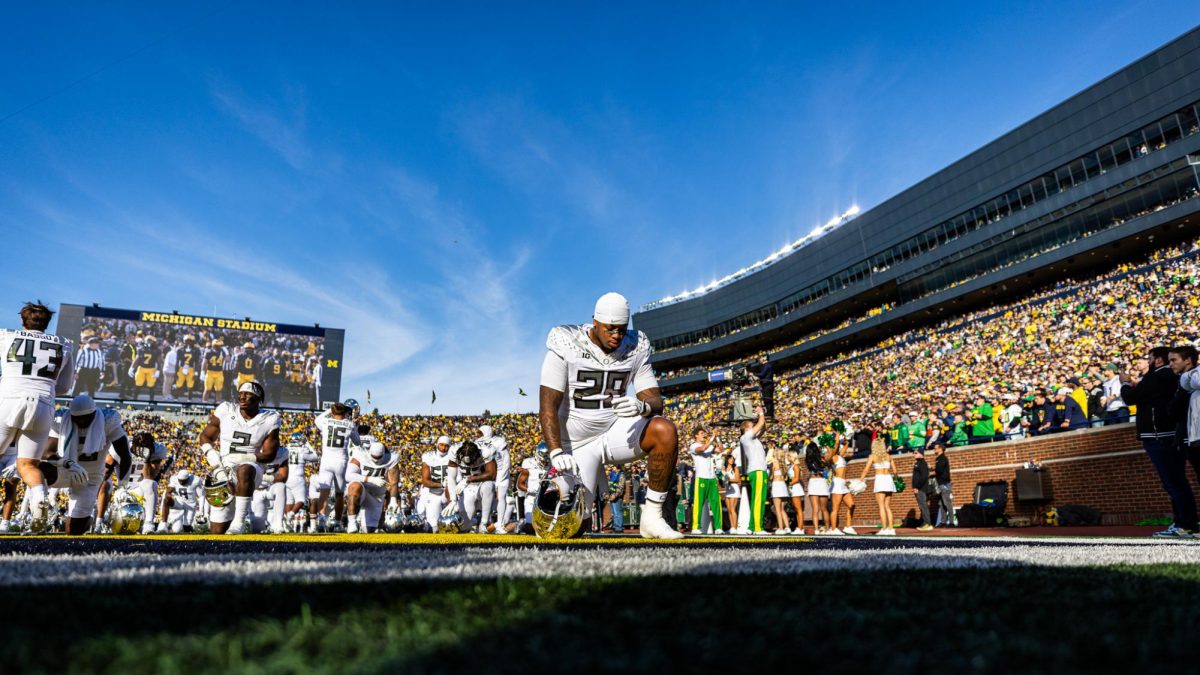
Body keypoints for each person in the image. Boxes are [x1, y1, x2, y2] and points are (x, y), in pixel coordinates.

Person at [537, 292, 682, 539]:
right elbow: (548, 406)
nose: (616, 335)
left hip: (613, 431)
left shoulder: (635, 346)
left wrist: (642, 407)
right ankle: (529, 525)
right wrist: (555, 451)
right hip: (575, 442)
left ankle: (652, 518)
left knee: (663, 430)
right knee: (570, 530)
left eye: (622, 330)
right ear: (595, 322)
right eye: (610, 329)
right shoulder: (567, 342)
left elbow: (655, 400)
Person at [2, 302, 77, 529]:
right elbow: (64, 386)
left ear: (23, 320)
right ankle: (39, 498)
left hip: (9, 400)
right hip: (44, 404)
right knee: (27, 464)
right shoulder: (64, 344)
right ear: (47, 323)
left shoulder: (6, 337)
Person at [197, 380, 282, 534]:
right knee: (217, 531)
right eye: (240, 394)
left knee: (244, 470)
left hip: (252, 469)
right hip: (223, 468)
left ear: (258, 399)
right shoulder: (225, 410)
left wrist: (244, 459)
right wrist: (211, 455)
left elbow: (270, 454)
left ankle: (240, 521)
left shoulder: (270, 418)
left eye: (248, 394)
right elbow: (205, 436)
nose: (242, 397)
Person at [1121, 347, 1190, 537]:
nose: (1148, 362)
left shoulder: (1158, 375)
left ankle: (1185, 523)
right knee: (1176, 480)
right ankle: (1184, 523)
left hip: (1158, 435)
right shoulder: (1167, 377)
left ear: (1158, 360)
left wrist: (1125, 384)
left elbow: (1130, 398)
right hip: (1167, 433)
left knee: (1172, 481)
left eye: (1149, 359)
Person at [42, 394, 131, 535]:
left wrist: (123, 485)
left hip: (91, 477)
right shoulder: (61, 420)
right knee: (39, 469)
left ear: (94, 413)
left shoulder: (108, 421)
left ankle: (86, 519)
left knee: (73, 530)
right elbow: (47, 452)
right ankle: (39, 506)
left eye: (85, 417)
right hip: (65, 469)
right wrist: (67, 463)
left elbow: (125, 455)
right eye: (78, 418)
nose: (82, 421)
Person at [311, 400, 361, 532]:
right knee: (339, 494)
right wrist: (353, 424)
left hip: (326, 461)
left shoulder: (326, 422)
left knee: (324, 492)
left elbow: (317, 419)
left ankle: (321, 518)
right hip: (341, 462)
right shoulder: (349, 424)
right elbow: (357, 442)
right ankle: (337, 522)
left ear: (333, 412)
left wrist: (330, 411)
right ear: (345, 412)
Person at [442, 440, 497, 533]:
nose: (469, 464)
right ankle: (475, 521)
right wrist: (453, 500)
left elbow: (492, 474)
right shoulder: (454, 451)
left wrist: (469, 479)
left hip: (482, 486)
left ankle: (484, 523)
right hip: (467, 488)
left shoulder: (486, 451)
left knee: (489, 485)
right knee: (463, 527)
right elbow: (451, 478)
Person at [346, 440, 398, 533]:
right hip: (362, 489)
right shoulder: (360, 454)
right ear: (369, 452)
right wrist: (371, 479)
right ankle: (352, 523)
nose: (376, 459)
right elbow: (348, 475)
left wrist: (393, 500)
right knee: (354, 486)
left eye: (379, 457)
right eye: (374, 457)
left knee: (369, 531)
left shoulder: (391, 457)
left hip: (377, 496)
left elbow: (393, 482)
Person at [737, 405, 769, 535]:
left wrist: (761, 416)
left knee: (758, 499)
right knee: (758, 500)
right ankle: (757, 527)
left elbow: (763, 426)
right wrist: (760, 413)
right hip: (758, 471)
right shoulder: (745, 437)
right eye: (752, 424)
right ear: (746, 428)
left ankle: (751, 527)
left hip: (758, 470)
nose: (754, 425)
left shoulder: (752, 439)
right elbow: (760, 424)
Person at [477, 425, 513, 534]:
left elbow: (506, 461)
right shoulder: (478, 442)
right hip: (487, 473)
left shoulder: (499, 441)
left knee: (501, 498)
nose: (478, 435)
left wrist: (500, 478)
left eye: (480, 433)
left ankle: (500, 524)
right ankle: (483, 523)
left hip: (501, 472)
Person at [859, 438, 896, 535]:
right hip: (889, 479)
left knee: (881, 506)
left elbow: (866, 470)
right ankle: (891, 529)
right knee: (887, 506)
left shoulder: (872, 456)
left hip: (880, 479)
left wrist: (860, 480)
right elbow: (895, 472)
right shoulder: (889, 456)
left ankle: (884, 529)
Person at [689, 426, 722, 534]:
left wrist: (717, 438)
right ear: (696, 436)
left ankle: (718, 527)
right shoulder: (693, 446)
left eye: (704, 433)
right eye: (702, 433)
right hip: (701, 478)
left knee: (716, 503)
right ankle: (695, 527)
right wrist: (712, 437)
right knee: (699, 503)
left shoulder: (707, 445)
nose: (704, 435)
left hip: (711, 478)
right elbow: (702, 449)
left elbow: (720, 450)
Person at [284, 431, 319, 532]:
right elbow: (315, 457)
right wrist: (307, 443)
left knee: (289, 502)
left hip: (287, 478)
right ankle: (290, 516)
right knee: (301, 501)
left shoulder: (286, 449)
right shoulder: (302, 450)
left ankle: (288, 524)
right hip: (297, 478)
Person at [418, 435, 452, 531]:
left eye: (446, 446)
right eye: (441, 445)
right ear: (437, 444)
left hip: (449, 491)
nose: (443, 448)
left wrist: (449, 485)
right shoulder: (428, 456)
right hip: (433, 492)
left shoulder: (452, 457)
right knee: (434, 525)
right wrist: (441, 484)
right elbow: (425, 481)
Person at [827, 439, 856, 535]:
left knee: (851, 505)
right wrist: (837, 436)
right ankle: (833, 529)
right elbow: (835, 446)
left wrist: (845, 440)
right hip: (837, 483)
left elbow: (846, 445)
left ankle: (848, 526)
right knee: (836, 508)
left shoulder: (839, 456)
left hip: (843, 484)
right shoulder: (832, 457)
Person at [805, 440, 830, 534]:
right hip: (821, 482)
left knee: (815, 509)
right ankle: (827, 529)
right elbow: (826, 467)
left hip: (813, 483)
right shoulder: (822, 459)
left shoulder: (807, 460)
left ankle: (816, 529)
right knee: (824, 509)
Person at [767, 443, 790, 534]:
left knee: (777, 509)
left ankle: (780, 528)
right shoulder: (784, 463)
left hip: (776, 486)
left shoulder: (774, 463)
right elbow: (786, 478)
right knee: (782, 509)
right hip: (783, 486)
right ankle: (787, 527)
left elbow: (771, 477)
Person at [911, 447, 934, 531]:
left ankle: (928, 524)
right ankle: (925, 523)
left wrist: (917, 487)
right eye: (914, 452)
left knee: (923, 506)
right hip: (918, 489)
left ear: (921, 454)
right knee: (922, 506)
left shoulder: (922, 463)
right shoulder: (918, 463)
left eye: (916, 453)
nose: (914, 454)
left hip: (921, 489)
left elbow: (924, 476)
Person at [933, 442, 954, 527]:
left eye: (935, 448)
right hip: (940, 483)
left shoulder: (942, 458)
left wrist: (929, 473)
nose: (934, 449)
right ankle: (943, 521)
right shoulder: (938, 459)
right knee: (941, 504)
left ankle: (952, 522)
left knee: (947, 503)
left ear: (940, 449)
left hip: (944, 483)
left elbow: (939, 471)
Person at [786, 448, 806, 535]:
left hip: (796, 489)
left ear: (792, 456)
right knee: (796, 509)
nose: (787, 457)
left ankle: (801, 528)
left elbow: (797, 478)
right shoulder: (792, 466)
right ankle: (799, 527)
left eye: (788, 456)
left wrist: (788, 483)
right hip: (793, 489)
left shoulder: (796, 466)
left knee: (799, 509)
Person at [720, 452, 740, 534]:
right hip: (728, 490)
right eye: (730, 459)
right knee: (729, 510)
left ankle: (735, 527)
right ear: (727, 460)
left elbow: (737, 479)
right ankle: (731, 527)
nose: (731, 460)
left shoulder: (735, 468)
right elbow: (723, 481)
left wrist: (728, 480)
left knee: (732, 509)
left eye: (732, 459)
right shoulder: (724, 469)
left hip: (734, 489)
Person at [754, 355, 775, 419]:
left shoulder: (766, 365)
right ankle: (770, 413)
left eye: (760, 358)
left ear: (764, 358)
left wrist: (754, 374)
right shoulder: (768, 365)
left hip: (767, 384)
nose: (759, 360)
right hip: (768, 384)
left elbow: (762, 374)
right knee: (768, 399)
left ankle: (769, 413)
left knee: (767, 399)